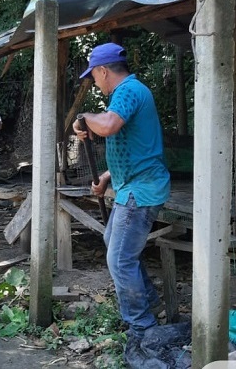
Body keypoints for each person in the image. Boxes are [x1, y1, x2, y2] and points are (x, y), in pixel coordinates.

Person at [72, 42, 171, 342]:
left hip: (140, 191)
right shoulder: (127, 92)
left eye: (93, 76)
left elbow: (109, 126)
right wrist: (106, 177)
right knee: (113, 243)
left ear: (103, 70)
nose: (94, 82)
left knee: (119, 260)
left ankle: (142, 326)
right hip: (133, 185)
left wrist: (85, 117)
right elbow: (134, 147)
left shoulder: (128, 90)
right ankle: (151, 302)